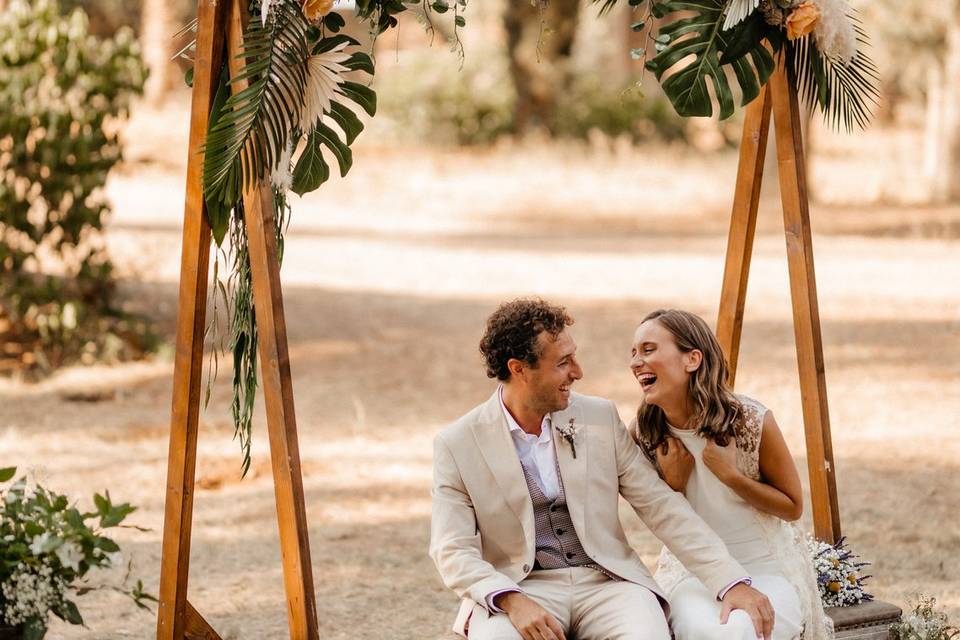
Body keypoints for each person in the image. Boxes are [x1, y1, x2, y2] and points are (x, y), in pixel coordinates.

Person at [430, 298, 775, 640]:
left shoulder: (598, 418)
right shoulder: (457, 444)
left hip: (608, 583)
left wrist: (730, 581)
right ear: (519, 369)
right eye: (563, 363)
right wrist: (510, 599)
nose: (578, 372)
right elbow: (452, 549)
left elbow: (661, 506)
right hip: (519, 587)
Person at [628, 308, 834, 640]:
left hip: (766, 569)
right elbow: (658, 518)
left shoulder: (751, 420)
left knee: (740, 630)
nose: (636, 362)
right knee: (704, 629)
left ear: (692, 359)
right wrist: (674, 485)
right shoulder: (643, 434)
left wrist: (733, 476)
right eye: (634, 353)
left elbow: (792, 506)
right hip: (694, 574)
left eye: (649, 350)